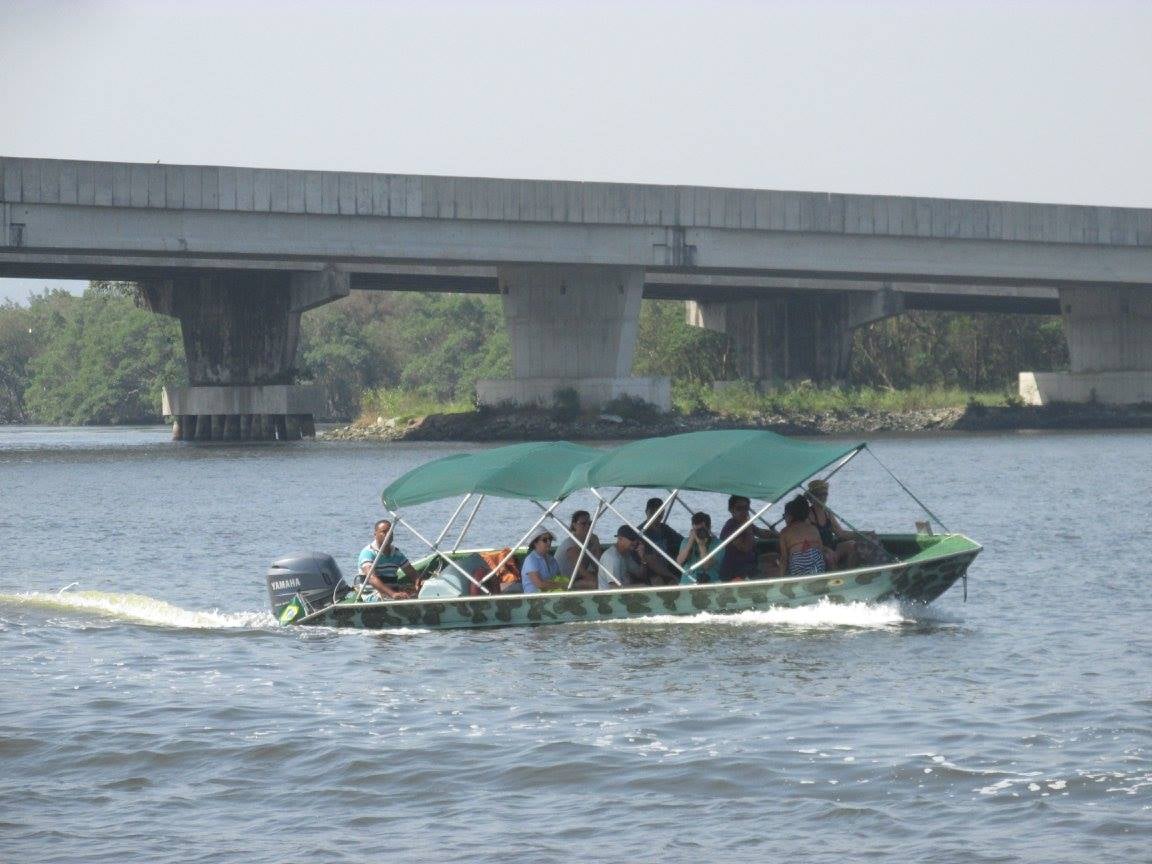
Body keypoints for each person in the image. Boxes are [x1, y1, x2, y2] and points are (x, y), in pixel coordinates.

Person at [358, 519, 422, 600]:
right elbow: (371, 578)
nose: (388, 534)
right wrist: (392, 594)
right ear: (375, 534)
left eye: (390, 532)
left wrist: (417, 582)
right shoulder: (368, 552)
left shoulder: (396, 553)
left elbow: (411, 572)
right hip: (373, 595)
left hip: (393, 593)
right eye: (384, 532)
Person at [717, 495, 774, 582]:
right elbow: (746, 548)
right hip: (734, 572)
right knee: (769, 572)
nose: (744, 511)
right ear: (731, 510)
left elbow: (761, 533)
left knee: (774, 558)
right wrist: (747, 526)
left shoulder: (744, 523)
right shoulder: (730, 527)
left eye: (746, 508)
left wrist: (781, 534)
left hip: (748, 565)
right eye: (739, 508)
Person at [806, 479, 858, 570]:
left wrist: (861, 534)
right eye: (819, 494)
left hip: (831, 546)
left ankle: (849, 572)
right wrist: (825, 549)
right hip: (817, 550)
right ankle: (836, 579)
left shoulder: (827, 513)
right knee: (828, 556)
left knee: (852, 544)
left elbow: (840, 534)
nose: (823, 497)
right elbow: (808, 541)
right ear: (812, 496)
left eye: (825, 494)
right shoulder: (808, 515)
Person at [779, 495, 830, 576]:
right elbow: (821, 551)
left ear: (790, 516)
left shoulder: (785, 532)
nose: (784, 518)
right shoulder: (813, 529)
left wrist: (781, 580)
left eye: (784, 516)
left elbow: (784, 560)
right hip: (817, 568)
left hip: (799, 569)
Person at [639, 497, 684, 585]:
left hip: (668, 567)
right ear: (646, 512)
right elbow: (651, 561)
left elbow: (682, 542)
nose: (656, 517)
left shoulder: (665, 529)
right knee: (660, 581)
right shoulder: (641, 533)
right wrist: (671, 576)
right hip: (650, 572)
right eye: (653, 513)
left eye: (659, 514)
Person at [554, 510, 602, 589]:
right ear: (574, 525)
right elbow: (582, 571)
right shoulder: (571, 545)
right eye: (583, 524)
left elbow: (598, 565)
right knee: (596, 584)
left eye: (589, 524)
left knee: (606, 579)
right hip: (565, 582)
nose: (587, 526)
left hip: (578, 578)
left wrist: (596, 545)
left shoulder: (590, 541)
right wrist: (602, 582)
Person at [676, 512, 722, 584]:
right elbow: (679, 562)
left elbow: (706, 565)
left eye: (703, 529)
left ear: (709, 528)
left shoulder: (718, 544)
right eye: (697, 530)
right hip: (688, 583)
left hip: (711, 583)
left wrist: (701, 545)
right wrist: (690, 542)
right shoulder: (686, 542)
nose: (700, 533)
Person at [597, 525, 643, 590]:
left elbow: (640, 575)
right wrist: (640, 587)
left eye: (636, 539)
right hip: (611, 598)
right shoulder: (611, 558)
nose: (635, 542)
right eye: (631, 539)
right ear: (620, 538)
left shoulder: (626, 554)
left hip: (624, 594)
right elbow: (614, 587)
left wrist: (642, 557)